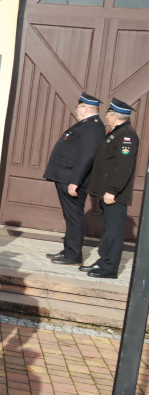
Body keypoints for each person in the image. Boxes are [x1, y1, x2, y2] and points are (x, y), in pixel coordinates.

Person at [43, 93, 105, 266]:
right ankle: (68, 250)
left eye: (78, 107)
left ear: (85, 108)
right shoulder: (87, 125)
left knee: (74, 216)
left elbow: (88, 156)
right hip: (67, 176)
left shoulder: (92, 127)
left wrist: (75, 181)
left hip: (72, 179)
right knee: (71, 216)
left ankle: (73, 255)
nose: (76, 110)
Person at [82, 98, 139, 279]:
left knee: (114, 232)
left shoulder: (127, 135)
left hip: (115, 194)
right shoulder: (116, 132)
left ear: (115, 115)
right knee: (107, 230)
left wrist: (113, 190)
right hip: (107, 192)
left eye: (108, 113)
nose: (106, 116)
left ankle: (110, 268)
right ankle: (103, 260)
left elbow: (124, 166)